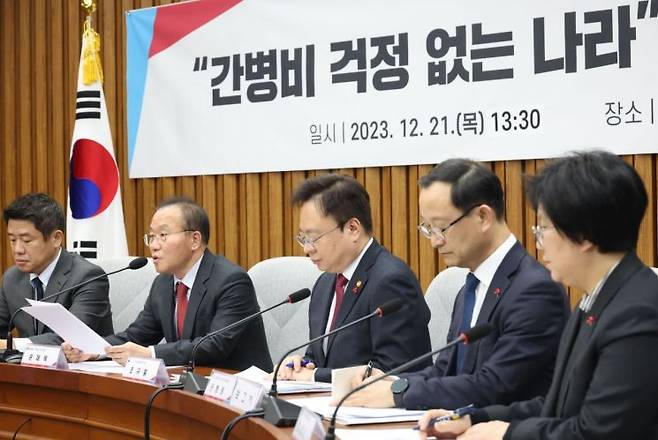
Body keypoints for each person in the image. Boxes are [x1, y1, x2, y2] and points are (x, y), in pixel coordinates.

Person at [419, 151, 658, 440]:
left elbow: (598, 432)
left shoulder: (638, 313)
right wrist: (473, 417)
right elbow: (557, 407)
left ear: (583, 235)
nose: (539, 242)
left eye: (544, 228)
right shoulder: (594, 300)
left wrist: (507, 434)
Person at [343, 159, 569, 409]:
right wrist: (391, 381)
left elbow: (494, 386)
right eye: (428, 228)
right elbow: (445, 371)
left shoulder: (535, 290)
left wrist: (399, 395)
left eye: (441, 227)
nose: (434, 241)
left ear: (483, 217)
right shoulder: (469, 288)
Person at [62, 197, 272, 370]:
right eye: (151, 237)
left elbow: (215, 345)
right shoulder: (163, 283)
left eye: (162, 235)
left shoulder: (231, 281)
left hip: (237, 388)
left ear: (195, 240)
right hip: (191, 385)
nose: (153, 245)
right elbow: (137, 336)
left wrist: (150, 354)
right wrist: (94, 350)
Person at [277, 174, 432, 383]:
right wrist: (302, 365)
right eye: (303, 238)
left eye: (313, 238)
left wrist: (314, 376)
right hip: (329, 408)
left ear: (353, 228)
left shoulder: (391, 281)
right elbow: (319, 356)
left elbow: (395, 371)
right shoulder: (325, 283)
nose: (307, 249)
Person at [0, 193, 113, 349]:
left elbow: (72, 337)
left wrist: (10, 345)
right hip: (30, 369)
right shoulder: (12, 278)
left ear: (56, 238)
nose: (18, 249)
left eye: (26, 240)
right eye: (13, 240)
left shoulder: (88, 277)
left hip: (81, 369)